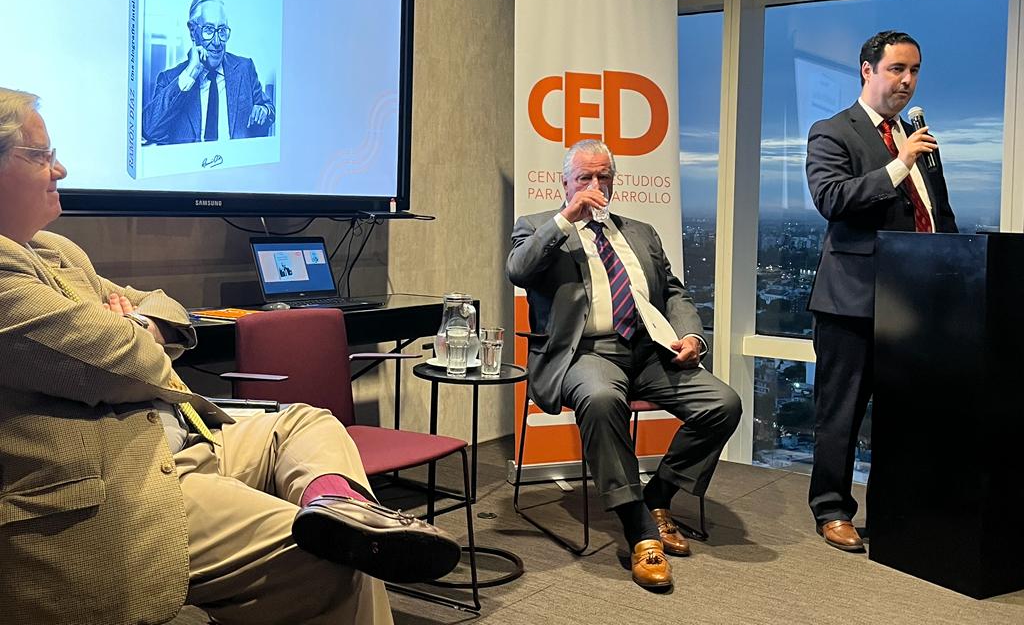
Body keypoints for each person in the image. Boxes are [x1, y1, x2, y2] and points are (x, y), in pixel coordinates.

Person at [0, 87, 459, 625]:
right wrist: (134, 331)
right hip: (118, 478)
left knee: (307, 423)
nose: (60, 169)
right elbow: (123, 361)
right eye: (40, 155)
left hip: (174, 435)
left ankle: (339, 507)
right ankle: (338, 535)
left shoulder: (55, 250)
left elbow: (165, 308)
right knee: (326, 564)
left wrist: (135, 324)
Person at [507, 139, 742, 590]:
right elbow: (518, 269)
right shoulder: (538, 226)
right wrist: (566, 218)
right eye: (585, 178)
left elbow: (673, 292)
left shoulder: (640, 231)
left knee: (723, 404)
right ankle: (639, 528)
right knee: (600, 398)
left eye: (604, 177)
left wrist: (691, 336)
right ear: (565, 183)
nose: (595, 186)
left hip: (650, 351)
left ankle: (658, 494)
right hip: (586, 353)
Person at [805, 30, 957, 553]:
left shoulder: (915, 136)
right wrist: (900, 164)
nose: (908, 81)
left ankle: (897, 509)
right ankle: (831, 509)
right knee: (841, 414)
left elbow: (937, 214)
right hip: (851, 303)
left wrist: (955, 270)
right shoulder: (833, 131)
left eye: (914, 71)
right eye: (897, 69)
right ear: (867, 70)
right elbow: (831, 198)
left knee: (906, 414)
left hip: (914, 304)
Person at [143, 0, 275, 145]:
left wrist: (264, 110)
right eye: (209, 30)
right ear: (193, 32)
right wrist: (190, 73)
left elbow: (268, 108)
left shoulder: (245, 69)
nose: (217, 42)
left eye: (222, 30)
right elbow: (150, 130)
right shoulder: (170, 79)